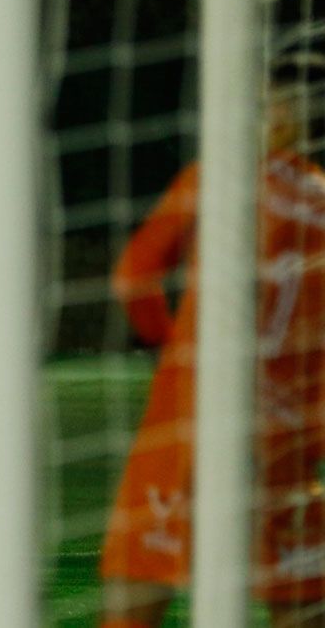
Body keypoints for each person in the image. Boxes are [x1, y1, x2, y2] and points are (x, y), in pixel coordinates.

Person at [100, 53, 325, 627]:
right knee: (298, 605)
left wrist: (175, 352)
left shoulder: (217, 178)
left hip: (194, 419)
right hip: (288, 434)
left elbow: (135, 275)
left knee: (137, 595)